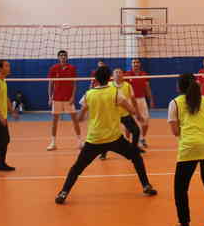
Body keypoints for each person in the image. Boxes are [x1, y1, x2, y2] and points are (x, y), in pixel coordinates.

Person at [55, 66, 157, 204]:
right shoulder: (115, 92)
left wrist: (88, 113)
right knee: (136, 157)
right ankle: (146, 185)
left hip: (94, 140)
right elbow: (131, 110)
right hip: (114, 139)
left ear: (96, 79)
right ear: (109, 78)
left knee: (77, 168)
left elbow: (80, 118)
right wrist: (137, 115)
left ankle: (63, 192)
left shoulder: (89, 94)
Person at [168, 74, 204, 226]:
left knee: (180, 188)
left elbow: (175, 131)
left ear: (179, 86)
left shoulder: (175, 103)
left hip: (190, 146)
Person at [100, 68, 142, 160]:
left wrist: (137, 113)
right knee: (107, 134)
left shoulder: (128, 86)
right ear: (112, 76)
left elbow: (133, 100)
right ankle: (103, 153)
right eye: (116, 72)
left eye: (120, 72)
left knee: (136, 131)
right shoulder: (108, 85)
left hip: (124, 114)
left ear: (123, 75)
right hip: (111, 115)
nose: (118, 74)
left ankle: (133, 150)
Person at [47, 50, 81, 151]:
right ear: (58, 57)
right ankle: (53, 143)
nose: (63, 57)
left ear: (67, 57)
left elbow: (74, 84)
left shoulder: (72, 68)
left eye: (64, 55)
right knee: (54, 121)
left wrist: (73, 97)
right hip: (56, 98)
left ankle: (80, 142)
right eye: (61, 55)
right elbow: (50, 84)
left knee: (75, 120)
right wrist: (50, 97)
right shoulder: (54, 68)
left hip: (68, 99)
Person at [126, 58, 154, 149]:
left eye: (137, 62)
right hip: (131, 100)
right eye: (134, 62)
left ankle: (142, 138)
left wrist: (151, 99)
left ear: (140, 64)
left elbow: (147, 88)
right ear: (131, 64)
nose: (135, 64)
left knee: (145, 121)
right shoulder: (127, 74)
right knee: (130, 122)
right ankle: (128, 141)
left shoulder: (144, 74)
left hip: (142, 100)